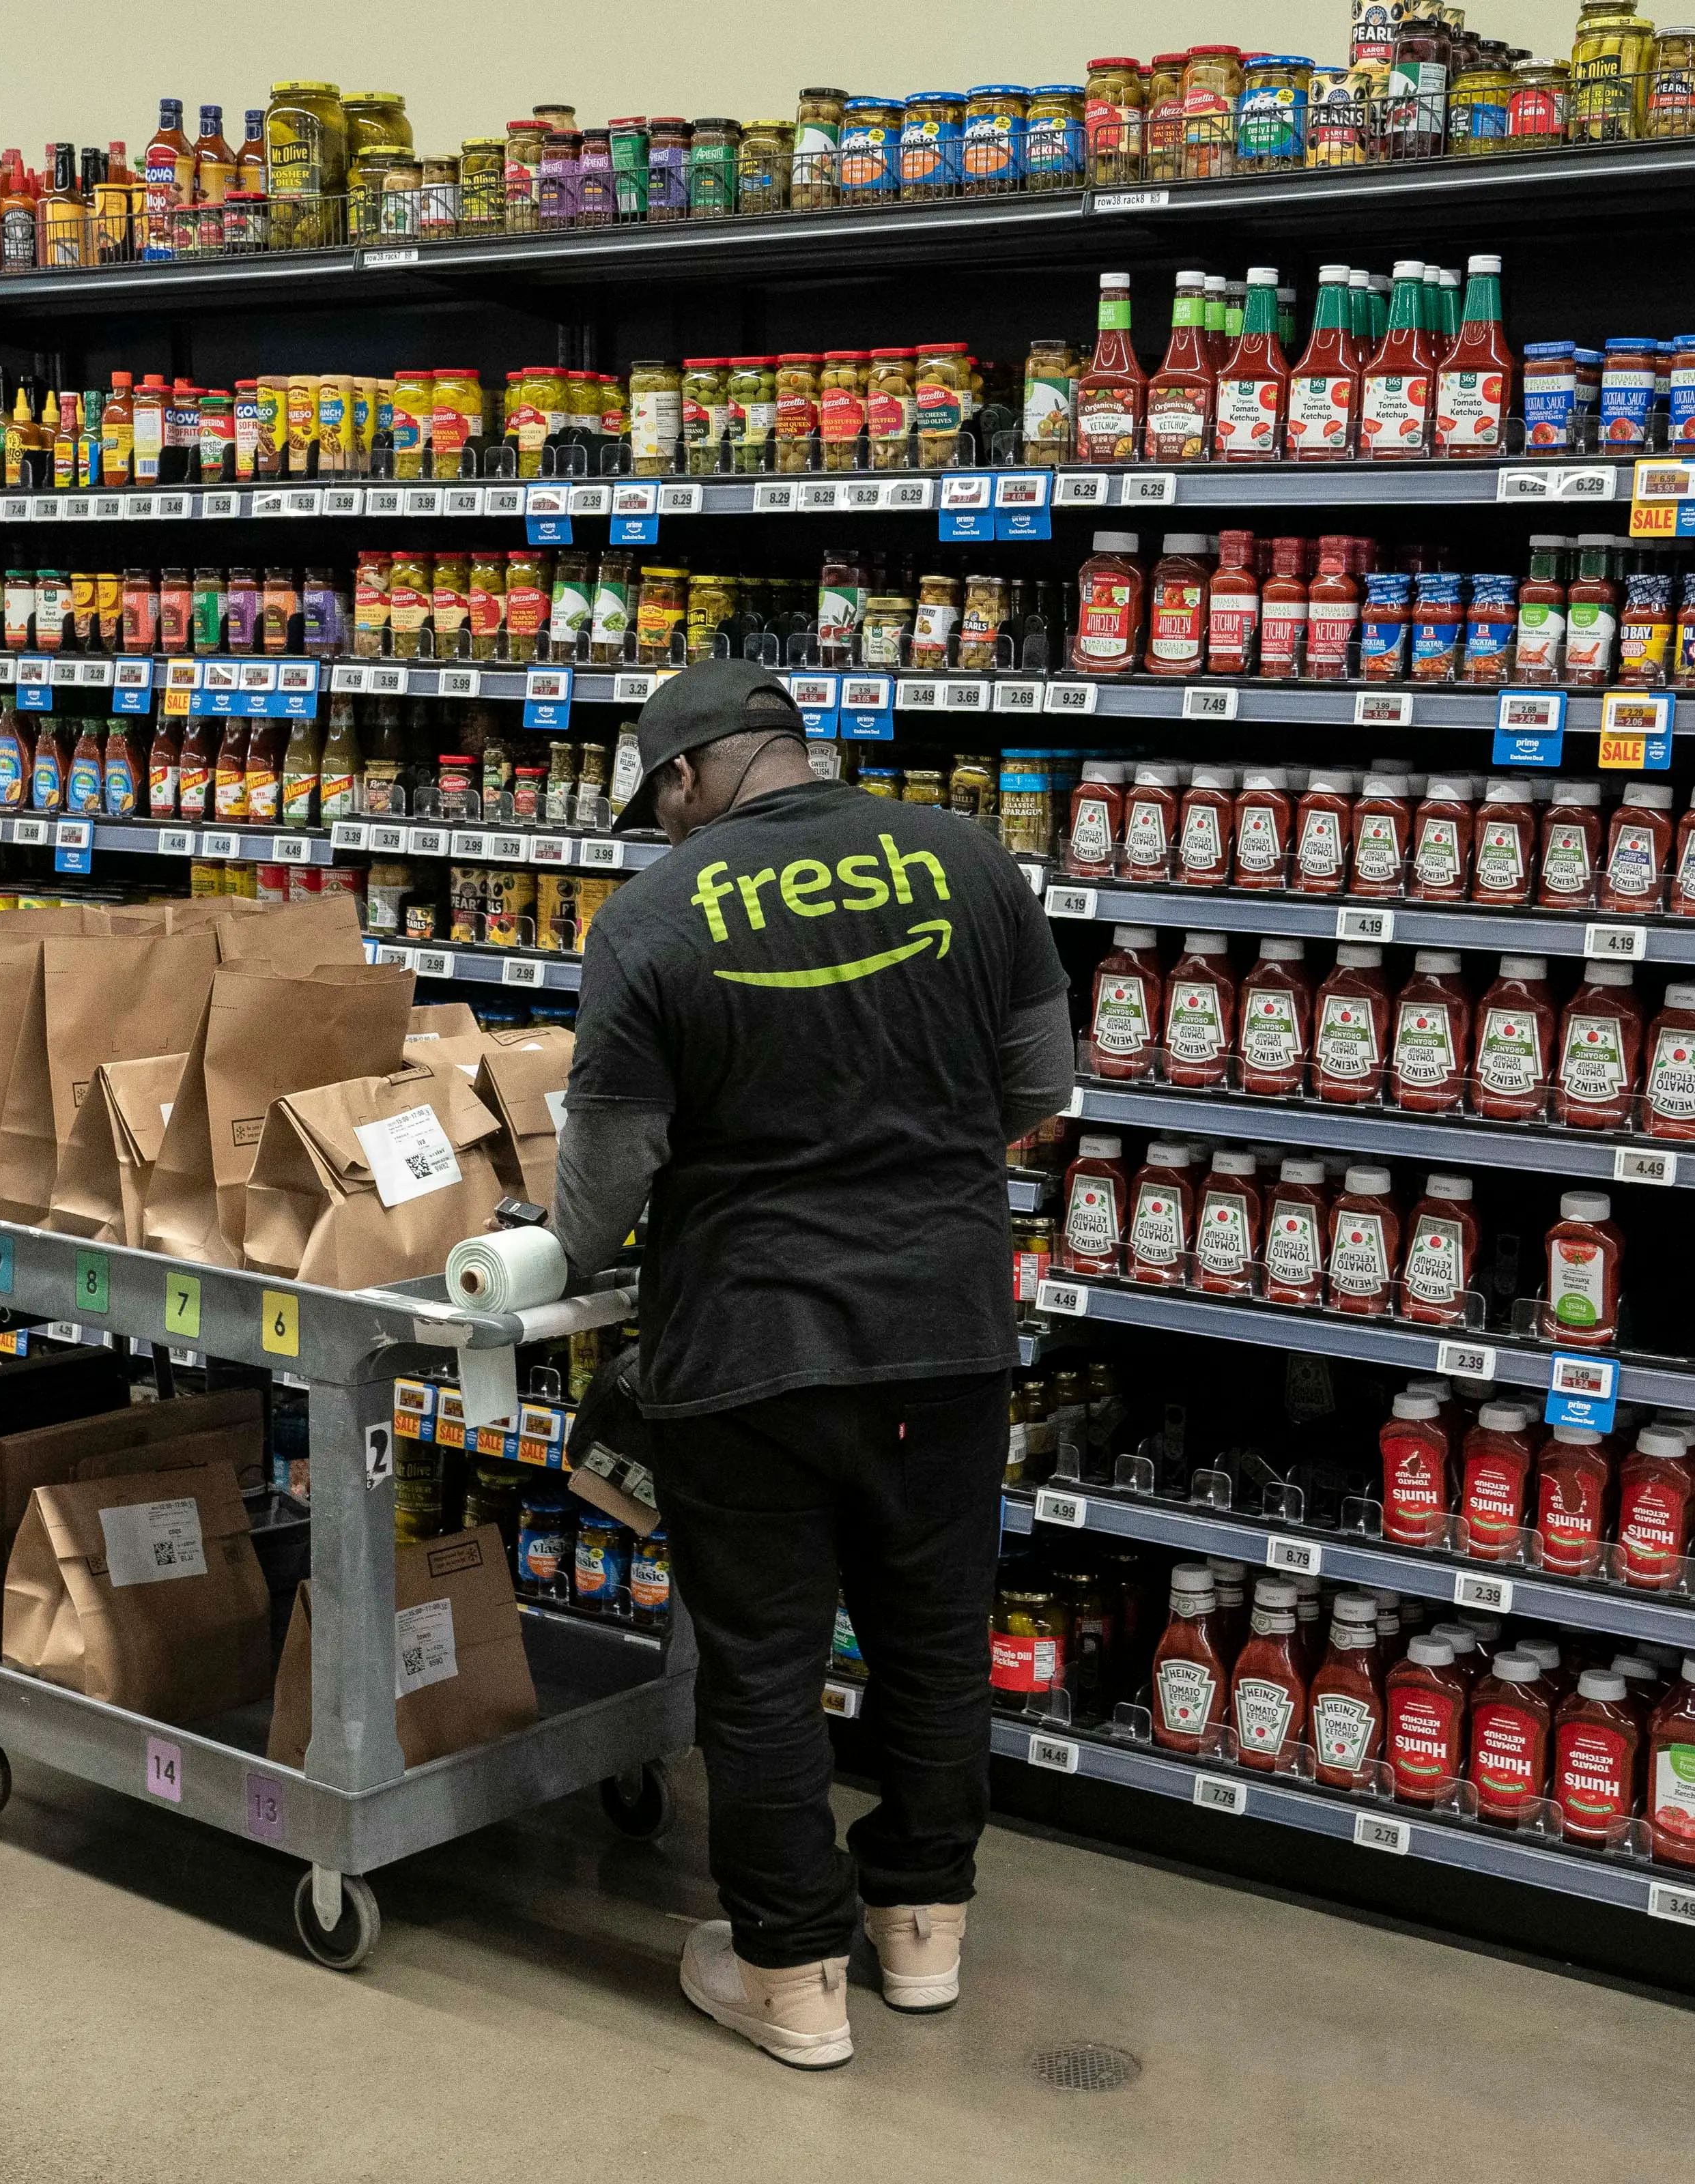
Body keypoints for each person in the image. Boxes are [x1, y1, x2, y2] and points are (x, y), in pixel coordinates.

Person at [552, 659, 1070, 2069]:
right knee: (930, 1638)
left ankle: (788, 1974)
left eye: (657, 805)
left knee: (767, 1664)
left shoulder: (656, 915)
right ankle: (922, 1930)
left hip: (753, 1346)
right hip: (946, 1335)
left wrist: (556, 1252)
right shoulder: (968, 859)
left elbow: (608, 1173)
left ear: (683, 778)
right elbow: (1042, 1090)